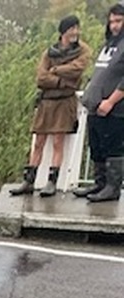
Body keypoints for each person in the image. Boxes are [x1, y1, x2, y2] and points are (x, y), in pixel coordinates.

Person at [10, 15, 91, 197]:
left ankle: (51, 182)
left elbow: (77, 69)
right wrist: (62, 81)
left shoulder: (82, 50)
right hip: (47, 101)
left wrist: (55, 70)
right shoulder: (49, 52)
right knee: (38, 142)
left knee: (57, 141)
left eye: (77, 28)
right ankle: (28, 181)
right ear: (63, 31)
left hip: (64, 102)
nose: (75, 32)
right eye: (72, 29)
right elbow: (40, 77)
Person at [73, 3, 124, 201]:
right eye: (111, 21)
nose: (114, 25)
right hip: (95, 106)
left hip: (115, 108)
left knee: (113, 148)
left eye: (118, 21)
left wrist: (111, 101)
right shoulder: (109, 44)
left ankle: (112, 188)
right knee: (96, 147)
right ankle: (99, 183)